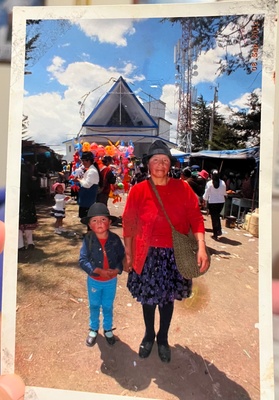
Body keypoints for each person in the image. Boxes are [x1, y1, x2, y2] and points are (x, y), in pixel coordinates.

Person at [122, 140, 209, 363]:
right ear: (148, 165)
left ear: (170, 164)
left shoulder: (183, 188)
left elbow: (196, 218)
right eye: (155, 161)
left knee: (167, 300)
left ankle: (163, 338)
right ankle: (149, 335)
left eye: (164, 161)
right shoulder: (139, 190)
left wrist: (201, 246)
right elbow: (129, 223)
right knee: (148, 300)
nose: (160, 165)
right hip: (147, 254)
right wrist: (129, 253)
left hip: (173, 255)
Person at [79, 202, 125, 347]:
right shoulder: (88, 240)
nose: (99, 223)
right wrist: (98, 271)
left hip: (111, 281)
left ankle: (107, 329)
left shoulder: (115, 240)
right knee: (94, 305)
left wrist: (117, 270)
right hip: (94, 280)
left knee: (107, 306)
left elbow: (121, 258)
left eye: (103, 219)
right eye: (94, 220)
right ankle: (93, 329)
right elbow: (83, 260)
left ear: (110, 222)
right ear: (90, 225)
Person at [75, 151, 100, 224]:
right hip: (85, 199)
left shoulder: (92, 171)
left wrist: (79, 180)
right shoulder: (90, 170)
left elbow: (87, 185)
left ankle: (90, 234)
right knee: (87, 220)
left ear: (88, 161)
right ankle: (89, 234)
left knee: (88, 220)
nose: (82, 163)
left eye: (83, 161)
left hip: (88, 200)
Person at [18, 161, 38, 251]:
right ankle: (30, 243)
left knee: (18, 225)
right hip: (28, 203)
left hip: (17, 202)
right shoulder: (29, 177)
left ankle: (20, 245)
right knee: (28, 224)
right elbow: (34, 191)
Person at [203, 169, 227, 240]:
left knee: (214, 217)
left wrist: (204, 200)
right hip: (221, 202)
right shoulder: (222, 182)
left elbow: (206, 194)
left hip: (212, 203)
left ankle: (215, 233)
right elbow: (224, 193)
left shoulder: (209, 183)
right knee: (217, 216)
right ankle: (218, 230)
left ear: (211, 175)